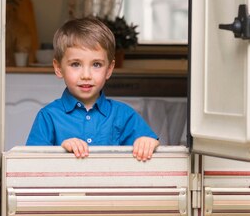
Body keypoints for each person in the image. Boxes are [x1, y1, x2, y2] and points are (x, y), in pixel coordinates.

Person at [26, 17, 159, 161]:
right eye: (76, 64)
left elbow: (153, 145)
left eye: (96, 64)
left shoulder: (124, 114)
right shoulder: (48, 116)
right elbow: (32, 164)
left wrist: (146, 142)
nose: (86, 75)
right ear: (58, 68)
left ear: (109, 69)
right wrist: (60, 151)